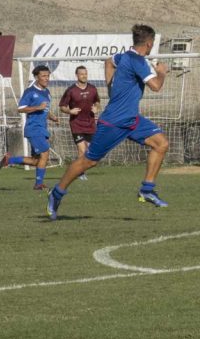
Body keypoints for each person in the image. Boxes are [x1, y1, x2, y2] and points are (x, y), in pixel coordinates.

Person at [47, 25, 170, 220]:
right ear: (149, 43)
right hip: (114, 122)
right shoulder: (138, 61)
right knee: (88, 161)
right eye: (152, 44)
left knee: (161, 143)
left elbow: (108, 62)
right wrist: (162, 72)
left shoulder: (123, 56)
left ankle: (147, 189)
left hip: (132, 119)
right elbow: (155, 86)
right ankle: (56, 193)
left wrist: (110, 87)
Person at [0, 65, 59, 190]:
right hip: (34, 128)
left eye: (48, 76)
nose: (47, 78)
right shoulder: (30, 91)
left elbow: (44, 110)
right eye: (43, 76)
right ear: (36, 77)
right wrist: (37, 108)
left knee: (37, 161)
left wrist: (52, 117)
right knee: (45, 154)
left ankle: (9, 160)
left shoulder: (46, 92)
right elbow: (20, 108)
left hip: (42, 128)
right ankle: (38, 184)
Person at [59, 65, 101, 178]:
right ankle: (80, 173)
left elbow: (97, 102)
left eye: (85, 73)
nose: (84, 76)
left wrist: (97, 108)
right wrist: (70, 111)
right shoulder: (71, 90)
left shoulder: (92, 89)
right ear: (77, 75)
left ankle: (76, 168)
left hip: (90, 123)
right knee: (82, 150)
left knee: (90, 152)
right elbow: (62, 106)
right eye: (82, 74)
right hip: (76, 124)